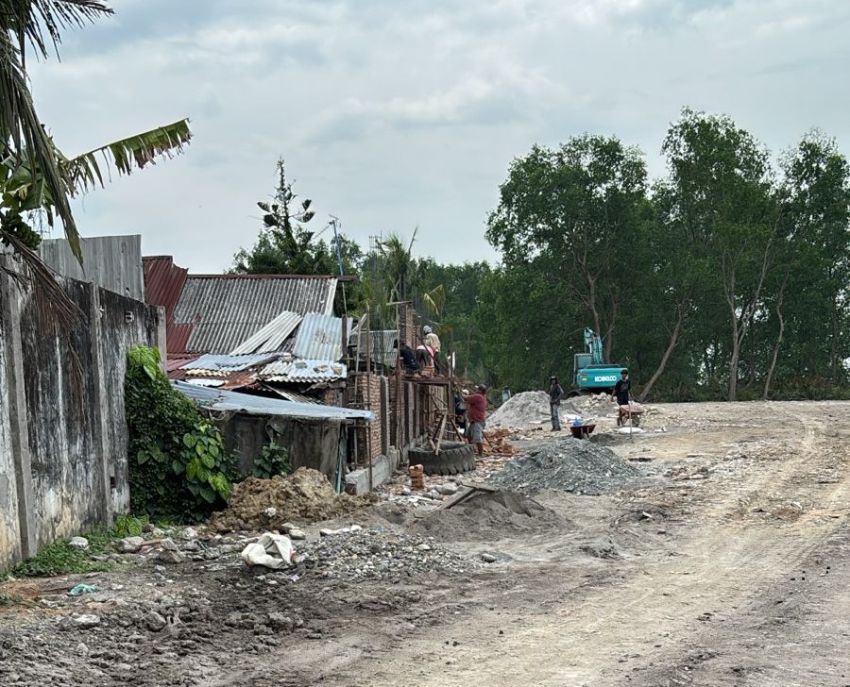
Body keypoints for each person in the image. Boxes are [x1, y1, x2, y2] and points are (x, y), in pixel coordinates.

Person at [464, 385, 488, 456]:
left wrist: (458, 391)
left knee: (477, 438)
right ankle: (472, 450)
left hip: (478, 421)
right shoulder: (480, 397)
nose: (476, 390)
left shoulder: (478, 397)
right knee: (469, 436)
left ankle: (480, 454)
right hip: (474, 421)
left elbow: (465, 398)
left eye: (477, 390)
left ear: (480, 391)